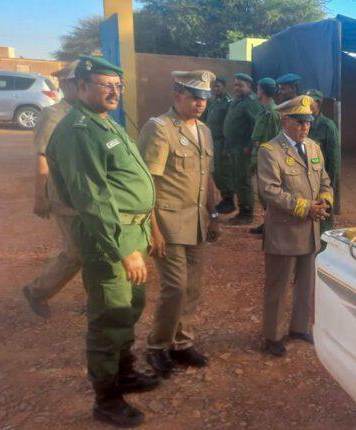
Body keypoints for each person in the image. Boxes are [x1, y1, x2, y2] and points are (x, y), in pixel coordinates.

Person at [45, 54, 159, 428]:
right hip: (108, 239)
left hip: (131, 233)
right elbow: (92, 199)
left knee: (129, 308)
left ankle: (123, 372)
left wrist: (144, 233)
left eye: (118, 86)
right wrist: (124, 249)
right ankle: (106, 399)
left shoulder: (105, 123)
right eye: (106, 85)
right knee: (109, 315)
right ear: (81, 87)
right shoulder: (79, 131)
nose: (114, 91)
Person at [137, 70, 221, 378]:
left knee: (192, 287)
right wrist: (153, 229)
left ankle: (182, 342)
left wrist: (213, 216)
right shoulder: (159, 128)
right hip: (168, 223)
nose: (200, 104)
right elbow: (147, 183)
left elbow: (206, 177)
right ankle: (157, 346)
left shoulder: (204, 131)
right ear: (176, 95)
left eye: (204, 99)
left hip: (196, 222)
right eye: (194, 97)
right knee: (175, 287)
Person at [257, 95, 333, 357]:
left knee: (306, 283)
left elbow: (325, 180)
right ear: (284, 121)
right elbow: (270, 191)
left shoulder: (313, 148)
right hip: (284, 231)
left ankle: (299, 327)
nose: (305, 127)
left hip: (310, 230)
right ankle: (272, 335)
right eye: (299, 122)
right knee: (278, 287)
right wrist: (305, 207)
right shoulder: (270, 151)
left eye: (308, 122)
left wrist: (325, 200)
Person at [22, 60, 82, 319]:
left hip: (88, 195)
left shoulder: (89, 112)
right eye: (76, 82)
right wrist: (40, 196)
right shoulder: (53, 115)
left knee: (93, 248)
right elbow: (42, 156)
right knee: (76, 252)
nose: (81, 86)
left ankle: (98, 302)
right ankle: (37, 291)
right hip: (64, 195)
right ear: (65, 84)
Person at [223, 72, 262, 225]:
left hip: (243, 149)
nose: (236, 88)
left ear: (249, 86)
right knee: (236, 179)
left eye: (240, 85)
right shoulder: (237, 101)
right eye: (235, 85)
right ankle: (241, 208)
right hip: (233, 147)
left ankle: (247, 212)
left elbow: (256, 125)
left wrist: (249, 146)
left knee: (243, 179)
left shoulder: (251, 102)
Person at [249, 77, 282, 235]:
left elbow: (273, 140)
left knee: (267, 193)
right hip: (258, 157)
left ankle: (273, 225)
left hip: (266, 159)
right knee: (262, 194)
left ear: (262, 91)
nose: (256, 91)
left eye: (258, 88)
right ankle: (268, 222)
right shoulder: (264, 110)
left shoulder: (273, 113)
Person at [306, 89, 340, 234]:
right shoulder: (304, 123)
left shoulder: (327, 126)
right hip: (305, 178)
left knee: (324, 214)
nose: (307, 104)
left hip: (322, 179)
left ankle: (324, 243)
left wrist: (331, 183)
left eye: (310, 102)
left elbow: (334, 158)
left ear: (318, 103)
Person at [203, 77, 235, 214]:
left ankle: (229, 200)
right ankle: (224, 197)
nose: (215, 89)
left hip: (222, 141)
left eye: (218, 86)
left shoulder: (228, 102)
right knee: (215, 171)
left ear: (224, 87)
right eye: (214, 87)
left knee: (223, 170)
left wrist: (227, 146)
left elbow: (229, 125)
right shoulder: (214, 102)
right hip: (212, 140)